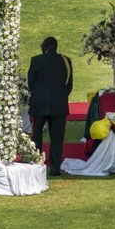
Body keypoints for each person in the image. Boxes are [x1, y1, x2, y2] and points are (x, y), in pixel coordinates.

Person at [28, 37, 72, 177]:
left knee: (36, 136)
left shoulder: (36, 60)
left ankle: (37, 164)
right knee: (57, 138)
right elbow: (69, 85)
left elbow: (31, 84)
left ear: (45, 47)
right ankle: (55, 168)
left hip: (39, 104)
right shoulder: (66, 61)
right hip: (59, 104)